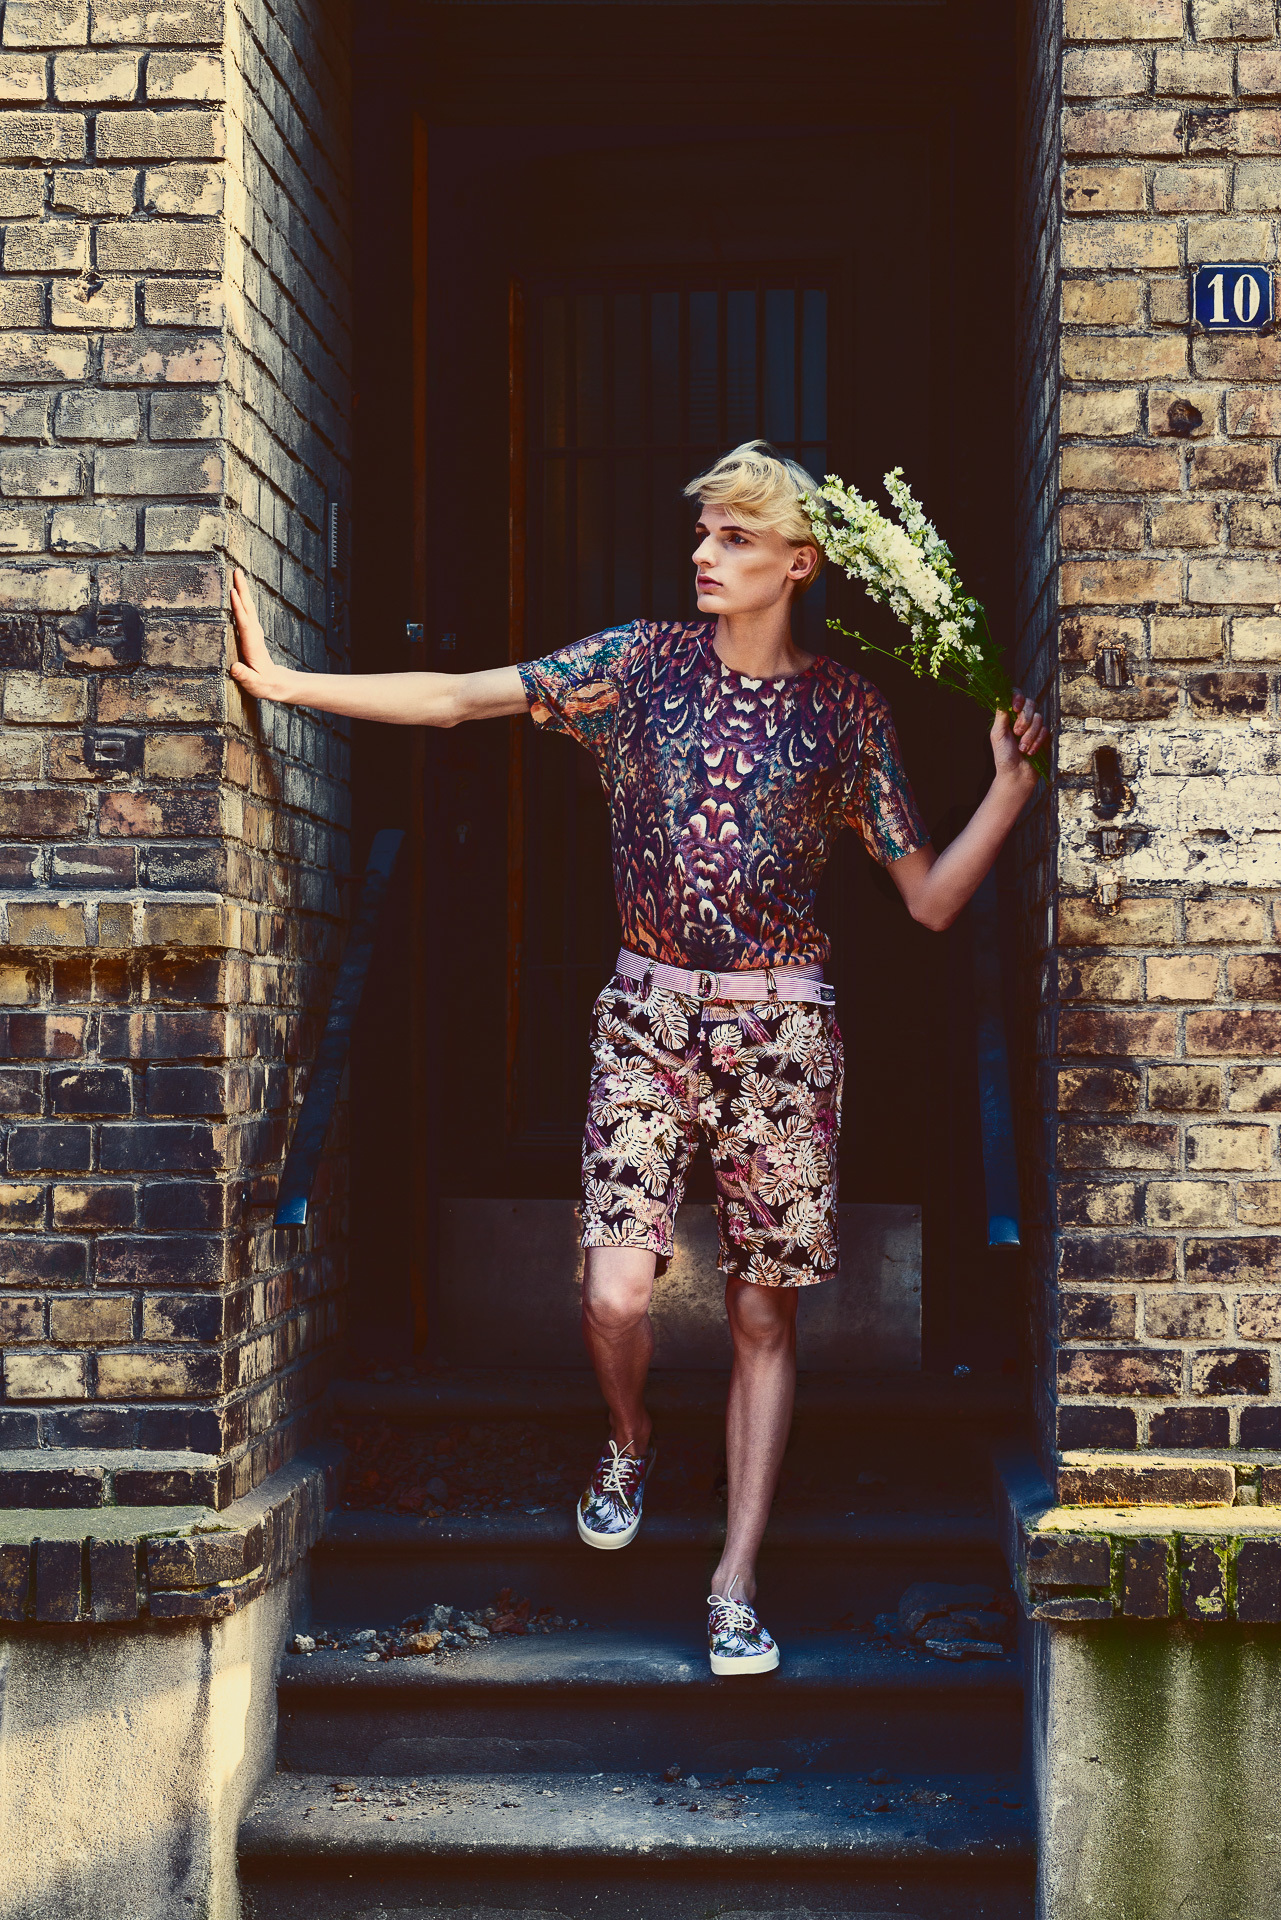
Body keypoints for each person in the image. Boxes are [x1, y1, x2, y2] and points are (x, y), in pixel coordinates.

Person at [229, 439, 1049, 1677]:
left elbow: (929, 900)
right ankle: (629, 1437)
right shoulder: (639, 667)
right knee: (613, 1293)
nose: (704, 553)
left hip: (782, 1034)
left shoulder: (846, 711)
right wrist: (287, 683)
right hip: (645, 1019)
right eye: (703, 531)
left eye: (734, 536)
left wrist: (1010, 789)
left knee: (762, 1311)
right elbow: (459, 698)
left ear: (799, 563)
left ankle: (735, 1579)